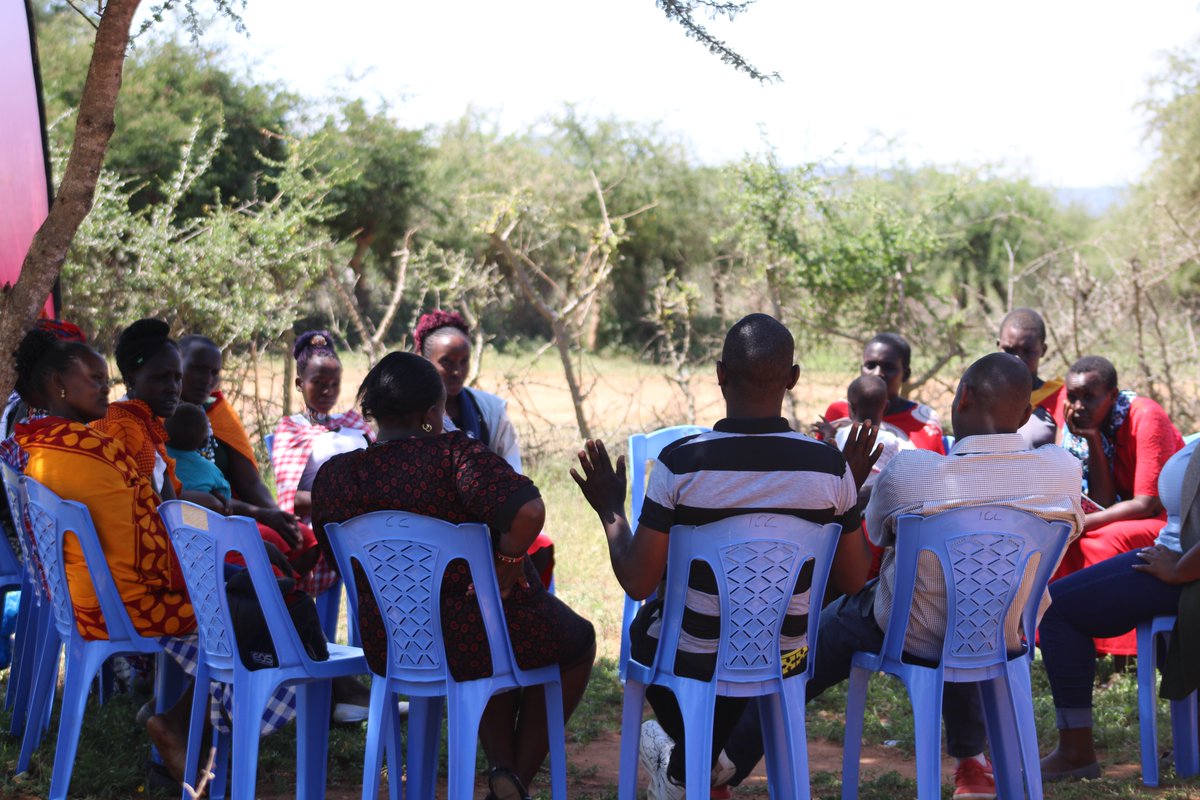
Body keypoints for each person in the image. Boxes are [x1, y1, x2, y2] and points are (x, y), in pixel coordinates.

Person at [717, 353, 1085, 800]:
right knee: (966, 603)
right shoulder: (1062, 471)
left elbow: (874, 533)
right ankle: (972, 762)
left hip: (908, 632)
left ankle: (726, 764)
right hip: (1004, 629)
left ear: (963, 398)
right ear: (1026, 414)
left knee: (817, 636)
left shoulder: (913, 473)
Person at [570, 313, 879, 800]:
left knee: (646, 630)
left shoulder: (681, 464)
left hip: (695, 655)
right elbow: (856, 577)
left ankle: (689, 767)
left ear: (719, 374)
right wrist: (846, 496)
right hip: (786, 654)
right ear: (793, 378)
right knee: (744, 639)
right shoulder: (830, 469)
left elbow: (638, 581)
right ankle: (697, 769)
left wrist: (610, 508)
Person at [311, 351, 595, 800]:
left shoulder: (336, 477)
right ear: (431, 414)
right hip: (472, 639)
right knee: (574, 641)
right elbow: (528, 513)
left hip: (391, 643)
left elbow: (336, 554)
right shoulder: (454, 456)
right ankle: (514, 781)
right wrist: (508, 562)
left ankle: (503, 769)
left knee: (495, 629)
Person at [1038, 437, 1200, 781]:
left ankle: (1075, 753)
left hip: (1185, 569)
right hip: (1172, 555)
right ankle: (1193, 737)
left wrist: (1180, 570)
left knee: (1057, 608)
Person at [414, 310, 554, 588]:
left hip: (488, 524)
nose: (457, 372)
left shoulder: (489, 410)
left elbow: (513, 475)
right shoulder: (410, 412)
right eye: (446, 362)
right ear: (424, 361)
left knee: (538, 549)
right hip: (429, 528)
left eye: (464, 362)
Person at [1054, 355, 1184, 656]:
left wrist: (1082, 522)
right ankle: (1078, 638)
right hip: (1129, 512)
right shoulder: (1089, 422)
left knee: (1105, 538)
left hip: (1170, 519)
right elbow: (1103, 502)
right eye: (1073, 397)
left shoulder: (1145, 416)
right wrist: (1092, 438)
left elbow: (1148, 503)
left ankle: (1119, 648)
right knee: (1068, 540)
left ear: (1112, 395)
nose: (1079, 405)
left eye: (1089, 397)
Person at [178, 334, 301, 549]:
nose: (207, 379)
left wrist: (276, 515)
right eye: (198, 368)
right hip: (196, 520)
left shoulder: (217, 411)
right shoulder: (161, 417)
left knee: (303, 539)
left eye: (214, 372)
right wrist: (262, 515)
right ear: (176, 365)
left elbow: (250, 483)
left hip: (235, 512)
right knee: (269, 545)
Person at [91, 319, 183, 499]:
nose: (173, 388)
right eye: (161, 377)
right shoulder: (127, 430)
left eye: (178, 378)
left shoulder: (141, 420)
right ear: (132, 379)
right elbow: (154, 508)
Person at [817, 331, 946, 455]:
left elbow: (934, 468)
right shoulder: (839, 411)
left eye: (888, 367)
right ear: (861, 370)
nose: (877, 373)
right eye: (870, 366)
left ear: (905, 374)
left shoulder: (924, 420)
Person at [996, 308, 1063, 449]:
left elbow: (1067, 457)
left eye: (1027, 351)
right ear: (998, 346)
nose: (1017, 359)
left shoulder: (1059, 399)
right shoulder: (981, 397)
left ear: (1043, 350)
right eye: (1009, 350)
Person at [831, 374, 906, 490]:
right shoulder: (892, 441)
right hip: (877, 498)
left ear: (851, 407)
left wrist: (829, 435)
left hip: (843, 494)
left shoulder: (842, 434)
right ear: (886, 407)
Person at [164, 402, 232, 515]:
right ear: (204, 442)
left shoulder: (159, 457)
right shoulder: (210, 470)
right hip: (201, 520)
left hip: (167, 517)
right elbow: (225, 497)